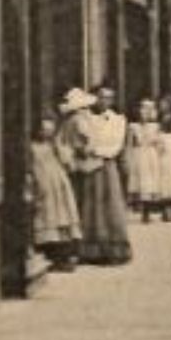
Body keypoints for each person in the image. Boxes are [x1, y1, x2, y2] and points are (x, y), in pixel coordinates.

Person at [67, 85, 132, 265]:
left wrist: (97, 151)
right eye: (102, 97)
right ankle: (91, 251)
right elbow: (79, 140)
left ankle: (113, 249)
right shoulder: (86, 119)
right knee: (91, 205)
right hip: (90, 165)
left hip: (107, 164)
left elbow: (116, 145)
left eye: (109, 98)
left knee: (110, 205)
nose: (105, 101)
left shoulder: (118, 120)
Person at [29, 110, 82, 272]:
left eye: (49, 131)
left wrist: (60, 148)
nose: (46, 134)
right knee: (47, 216)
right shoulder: (32, 147)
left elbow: (68, 162)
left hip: (58, 182)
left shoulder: (54, 145)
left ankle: (62, 255)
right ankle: (48, 253)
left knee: (61, 216)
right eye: (43, 131)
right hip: (43, 182)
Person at [127, 98, 163, 221]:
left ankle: (148, 209)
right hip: (138, 154)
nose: (144, 113)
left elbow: (159, 143)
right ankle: (141, 208)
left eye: (148, 111)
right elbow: (129, 144)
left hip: (151, 155)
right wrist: (128, 157)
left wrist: (159, 155)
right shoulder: (133, 127)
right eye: (142, 110)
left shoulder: (155, 127)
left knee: (150, 181)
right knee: (140, 180)